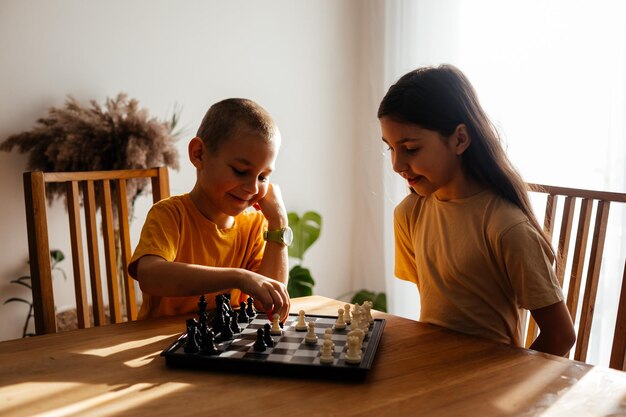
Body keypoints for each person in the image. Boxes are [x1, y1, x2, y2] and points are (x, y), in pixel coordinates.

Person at [378, 65, 576, 356]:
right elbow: (439, 316)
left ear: (460, 139)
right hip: (434, 371)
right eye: (391, 149)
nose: (397, 165)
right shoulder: (409, 215)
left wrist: (511, 390)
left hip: (488, 387)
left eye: (410, 148)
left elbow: (560, 336)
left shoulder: (507, 227)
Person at [128, 98, 291, 321]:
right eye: (240, 171)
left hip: (225, 349)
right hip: (160, 344)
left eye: (263, 177)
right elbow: (150, 276)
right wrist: (238, 277)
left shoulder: (255, 226)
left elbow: (269, 303)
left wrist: (279, 222)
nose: (253, 187)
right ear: (199, 154)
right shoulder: (170, 214)